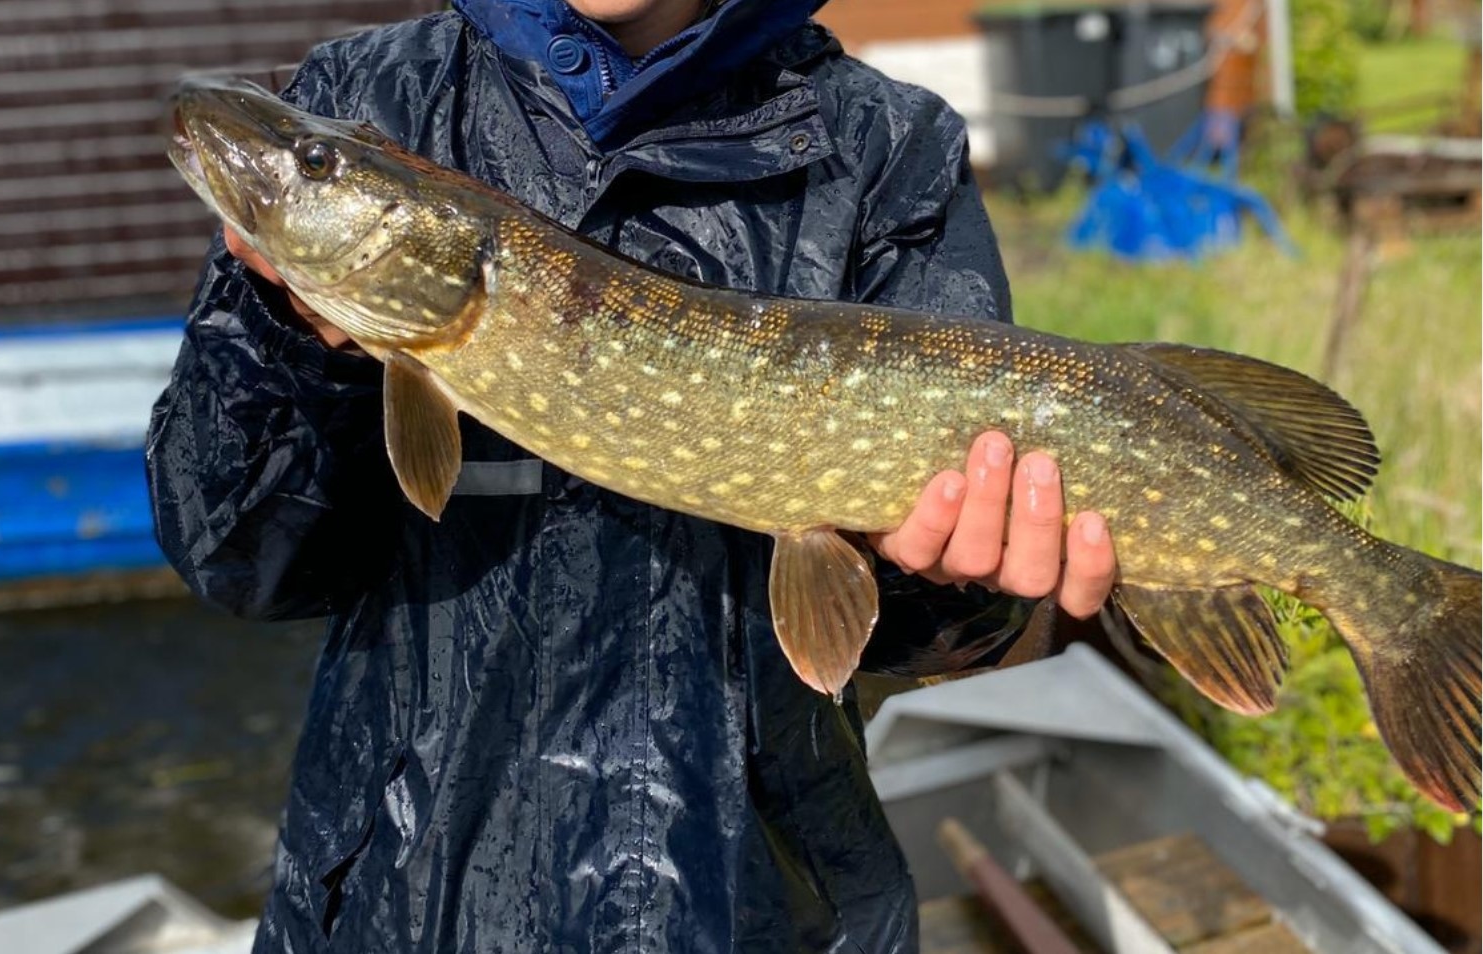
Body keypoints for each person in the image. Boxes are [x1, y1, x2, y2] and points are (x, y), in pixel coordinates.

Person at [146, 1, 1117, 950]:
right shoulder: (374, 99)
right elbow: (237, 554)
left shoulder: (884, 146)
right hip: (411, 900)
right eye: (318, 164)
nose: (302, 165)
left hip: (761, 907)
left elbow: (920, 633)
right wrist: (292, 348)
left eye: (314, 166)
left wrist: (950, 575)